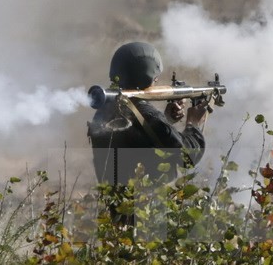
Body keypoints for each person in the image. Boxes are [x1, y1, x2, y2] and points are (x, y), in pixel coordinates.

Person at [87, 42, 208, 224]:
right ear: (150, 77)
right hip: (147, 219)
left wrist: (166, 119)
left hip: (119, 214)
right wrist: (193, 123)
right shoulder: (147, 114)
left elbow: (141, 145)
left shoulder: (106, 111)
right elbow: (187, 156)